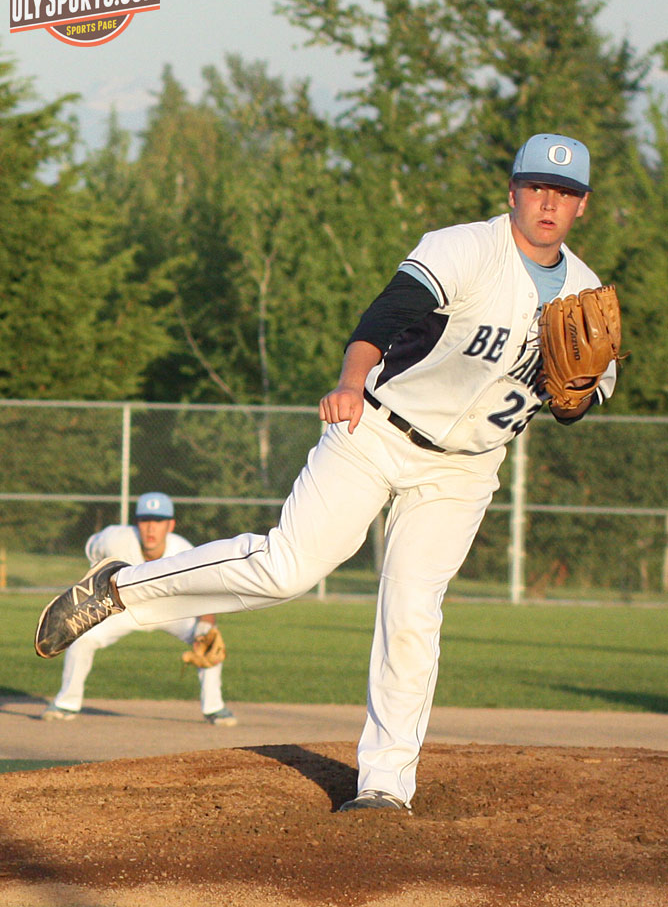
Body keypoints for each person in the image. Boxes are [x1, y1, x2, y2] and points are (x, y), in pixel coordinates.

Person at [35, 134, 616, 811]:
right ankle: (119, 588)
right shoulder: (464, 248)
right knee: (286, 569)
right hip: (376, 429)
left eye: (564, 193)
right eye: (537, 187)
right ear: (512, 191)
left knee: (412, 613)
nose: (548, 203)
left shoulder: (588, 295)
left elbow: (581, 401)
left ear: (582, 206)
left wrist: (576, 395)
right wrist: (349, 381)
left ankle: (385, 786)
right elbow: (383, 318)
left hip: (463, 471)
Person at [41, 492, 236, 727]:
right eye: (145, 520)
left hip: (169, 610)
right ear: (137, 523)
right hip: (124, 608)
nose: (151, 528)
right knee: (82, 637)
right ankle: (66, 703)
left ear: (170, 525)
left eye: (159, 521)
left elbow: (207, 589)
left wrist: (206, 624)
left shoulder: (184, 550)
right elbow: (92, 549)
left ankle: (214, 707)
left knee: (209, 641)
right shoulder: (115, 539)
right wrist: (95, 578)